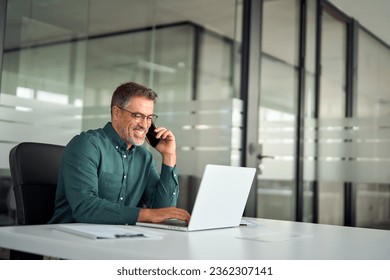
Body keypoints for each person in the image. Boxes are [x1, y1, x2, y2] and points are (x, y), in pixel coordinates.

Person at [49, 82, 190, 225]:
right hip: (69, 237)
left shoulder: (144, 158)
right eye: (138, 116)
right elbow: (85, 207)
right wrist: (145, 214)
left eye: (149, 118)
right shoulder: (86, 145)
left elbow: (162, 211)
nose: (145, 125)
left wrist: (169, 156)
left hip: (117, 238)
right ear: (116, 113)